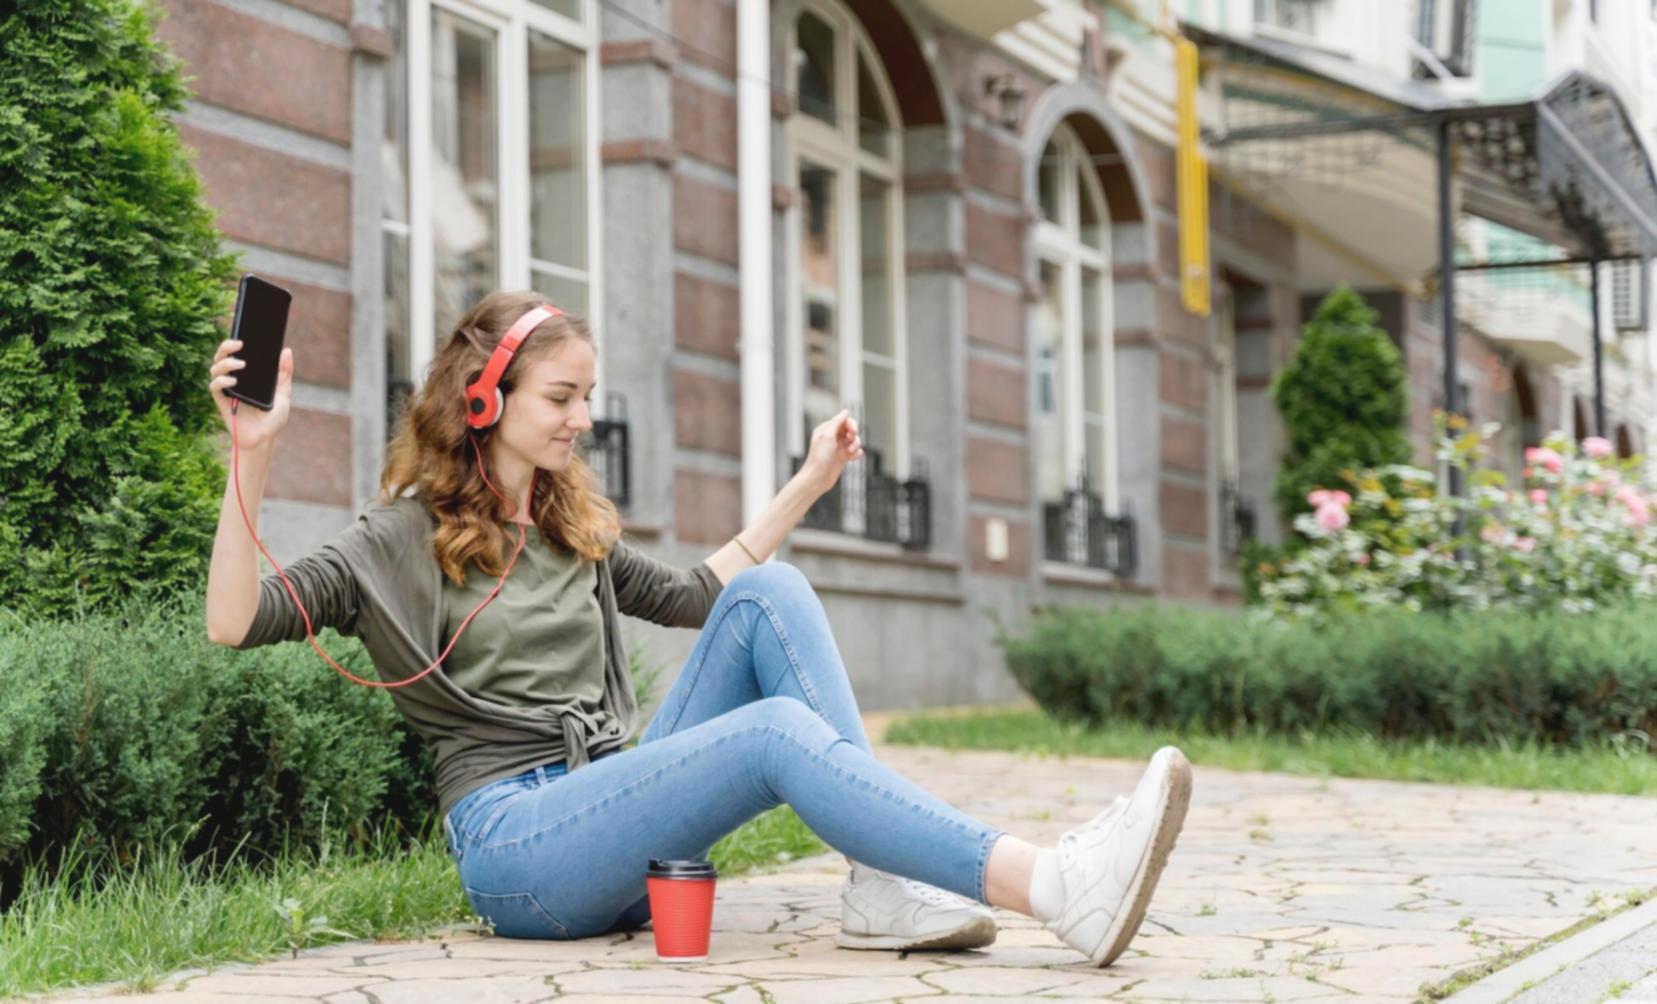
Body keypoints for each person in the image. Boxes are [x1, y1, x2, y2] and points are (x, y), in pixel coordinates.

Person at [203, 289, 1192, 964]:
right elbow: (236, 619)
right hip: (521, 850)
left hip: (609, 807)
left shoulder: (562, 526)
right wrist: (251, 453)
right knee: (771, 734)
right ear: (482, 397)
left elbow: (700, 593)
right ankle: (1056, 885)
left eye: (587, 395)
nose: (582, 417)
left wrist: (807, 484)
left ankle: (881, 885)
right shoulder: (394, 538)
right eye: (561, 396)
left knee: (776, 593)